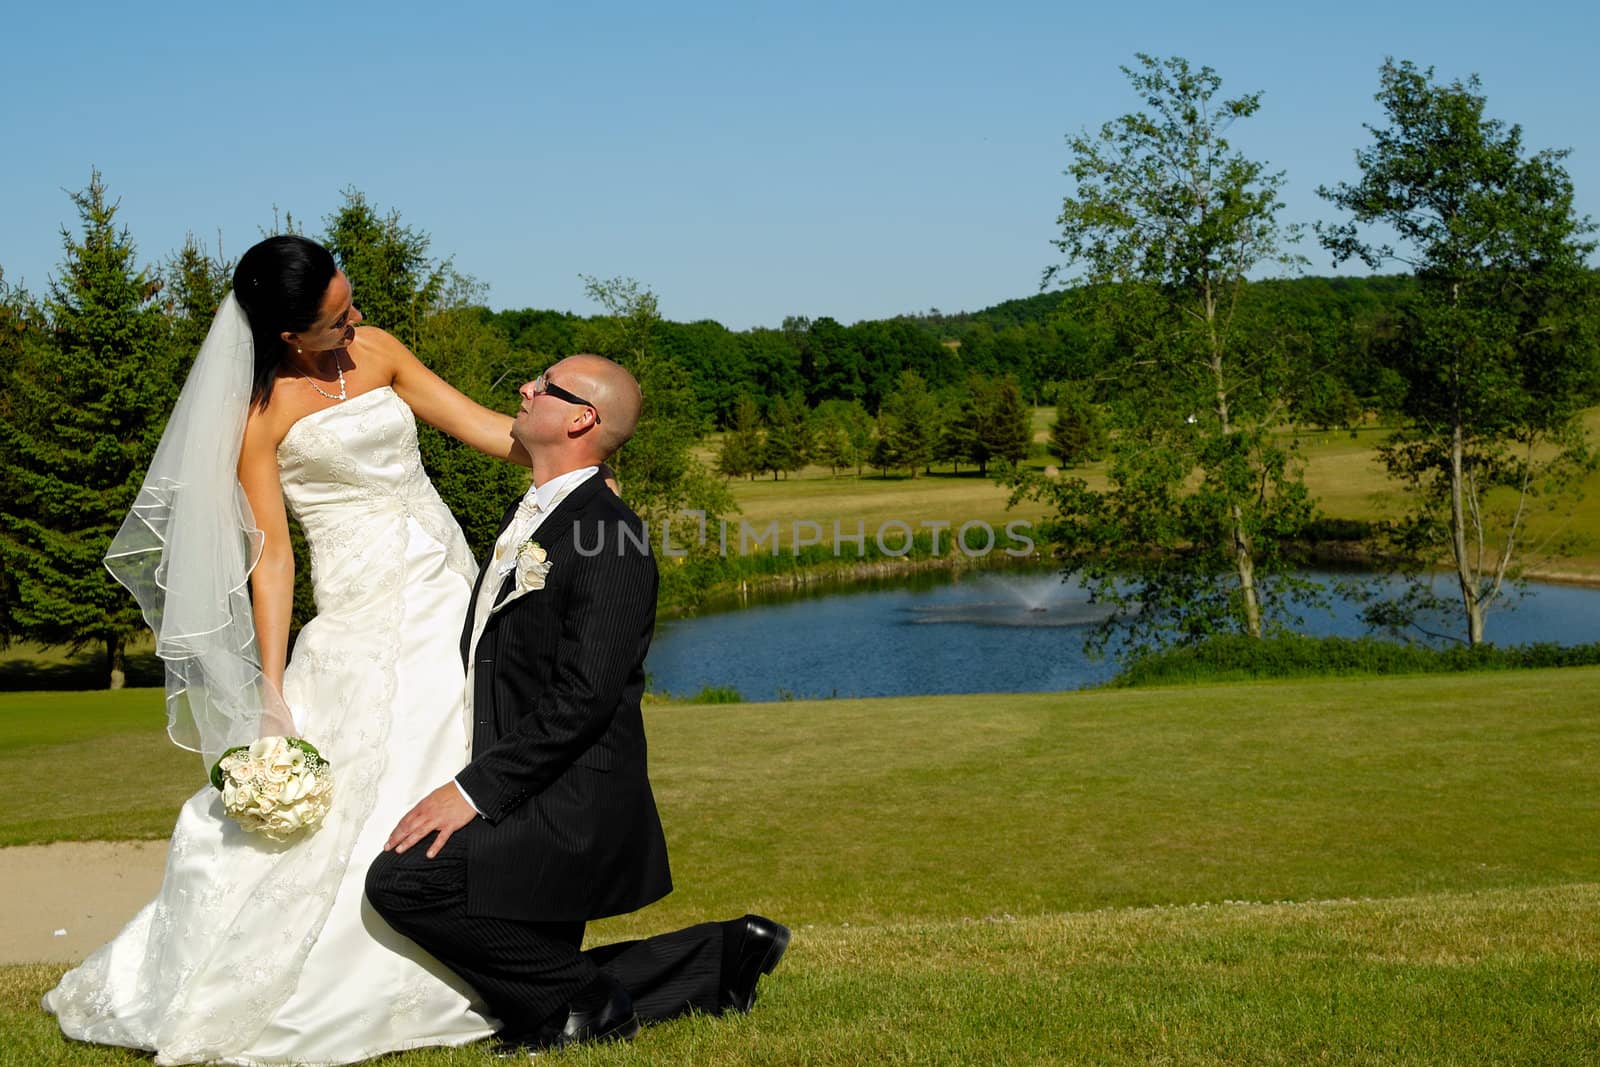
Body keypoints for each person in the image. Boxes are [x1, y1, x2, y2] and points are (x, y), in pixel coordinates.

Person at [43, 235, 538, 1064]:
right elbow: (272, 557)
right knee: (356, 782)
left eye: (351, 305)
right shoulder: (258, 418)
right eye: (336, 319)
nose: (355, 325)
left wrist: (576, 457)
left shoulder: (378, 350)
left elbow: (485, 429)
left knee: (456, 755)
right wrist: (272, 689)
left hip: (444, 586)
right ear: (285, 336)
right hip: (359, 607)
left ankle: (488, 954)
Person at [365, 354, 789, 1055]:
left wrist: (471, 792)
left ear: (580, 417)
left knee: (404, 882)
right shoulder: (536, 513)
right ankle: (721, 956)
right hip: (530, 781)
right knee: (527, 988)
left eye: (542, 384)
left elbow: (586, 697)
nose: (524, 389)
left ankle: (588, 998)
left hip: (570, 800)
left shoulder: (610, 535)